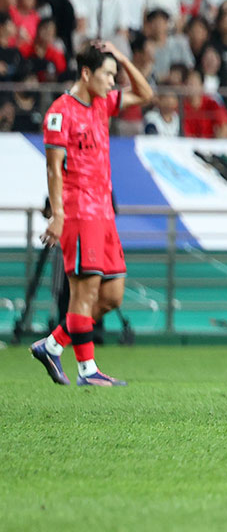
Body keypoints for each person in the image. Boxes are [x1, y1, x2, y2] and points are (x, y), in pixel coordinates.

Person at [30, 41, 153, 386]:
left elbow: (145, 94)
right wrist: (58, 215)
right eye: (108, 75)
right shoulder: (60, 113)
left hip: (104, 211)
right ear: (86, 73)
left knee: (112, 295)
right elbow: (54, 169)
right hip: (79, 210)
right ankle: (88, 371)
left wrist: (122, 57)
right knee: (83, 294)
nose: (114, 82)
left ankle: (53, 345)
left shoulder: (102, 103)